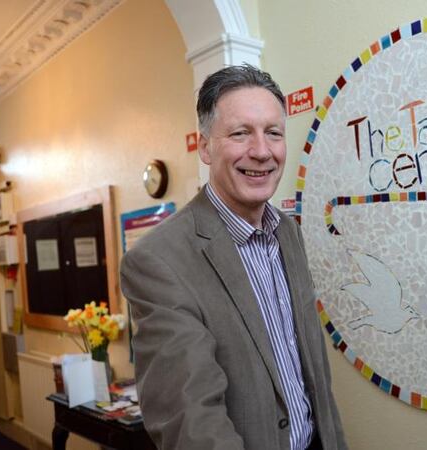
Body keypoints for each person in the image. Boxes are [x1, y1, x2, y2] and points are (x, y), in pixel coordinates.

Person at [120, 64, 347, 450]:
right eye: (241, 133)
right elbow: (191, 423)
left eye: (273, 133)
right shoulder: (159, 261)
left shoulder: (288, 232)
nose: (261, 151)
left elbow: (311, 379)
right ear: (205, 146)